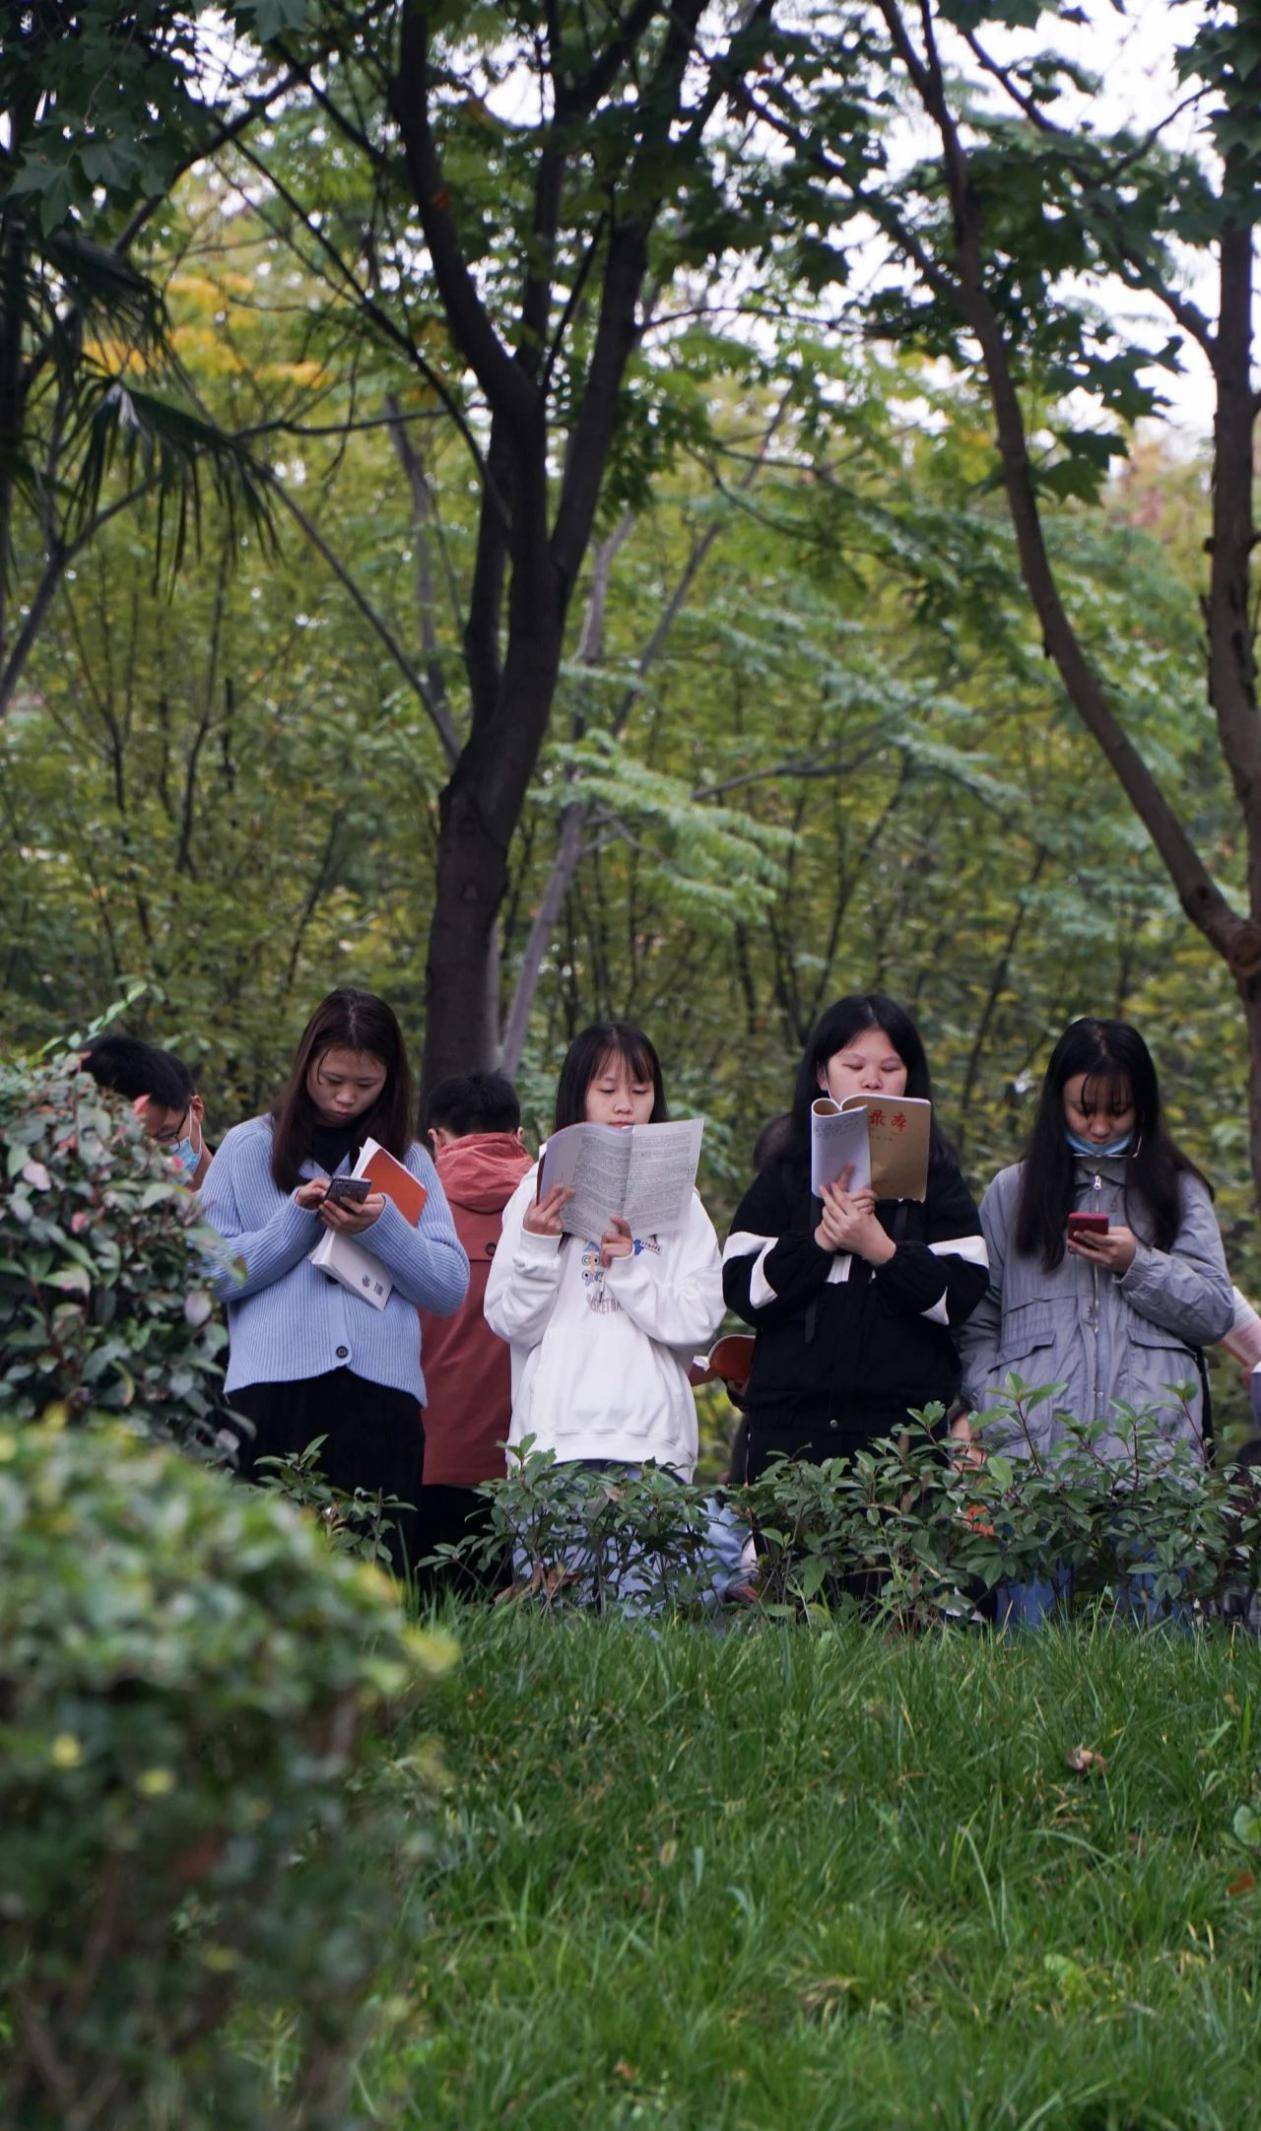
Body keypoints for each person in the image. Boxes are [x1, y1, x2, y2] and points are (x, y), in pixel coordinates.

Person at [957, 1017, 1234, 1622]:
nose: (1102, 1126)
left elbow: (1216, 1311)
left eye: (1119, 1110)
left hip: (1155, 1471)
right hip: (1035, 1472)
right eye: (1085, 1110)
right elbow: (976, 1324)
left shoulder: (1177, 1190)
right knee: (1031, 1660)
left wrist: (1139, 1263)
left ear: (1145, 1106)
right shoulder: (1012, 1192)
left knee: (1160, 1665)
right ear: (1057, 1102)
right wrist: (997, 1407)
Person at [200, 988, 468, 1569]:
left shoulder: (410, 1160)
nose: (346, 1098)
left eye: (365, 1085)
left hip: (380, 1399)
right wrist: (294, 1222)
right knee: (265, 1581)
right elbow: (204, 1271)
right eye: (332, 1079)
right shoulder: (248, 1148)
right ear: (306, 1068)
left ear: (391, 1081)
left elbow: (449, 1287)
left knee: (374, 1580)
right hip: (273, 1395)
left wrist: (383, 1229)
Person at [484, 1021, 735, 1602]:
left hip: (651, 1443)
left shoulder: (683, 1200)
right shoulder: (535, 1190)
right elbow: (509, 1322)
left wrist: (631, 1269)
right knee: (557, 1625)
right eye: (607, 1090)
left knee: (642, 1627)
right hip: (555, 1442)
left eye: (641, 1091)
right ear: (578, 1095)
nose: (625, 1106)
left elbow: (700, 1320)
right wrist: (539, 1244)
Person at [723, 994, 988, 1479]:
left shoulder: (937, 1176)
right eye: (854, 1064)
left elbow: (963, 1293)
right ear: (823, 1075)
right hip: (790, 1437)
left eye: (890, 1067)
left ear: (910, 1076)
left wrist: (881, 1250)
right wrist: (820, 1241)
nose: (872, 1079)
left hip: (901, 1440)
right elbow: (742, 1287)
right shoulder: (785, 1171)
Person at [415, 1070, 532, 1593]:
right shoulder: (556, 1205)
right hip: (532, 1467)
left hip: (428, 1455)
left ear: (435, 1140)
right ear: (520, 1136)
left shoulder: (402, 1208)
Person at [80, 1033, 211, 1187]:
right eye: (137, 1145)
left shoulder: (243, 1175)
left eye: (164, 1136)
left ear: (196, 1109)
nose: (151, 1156)